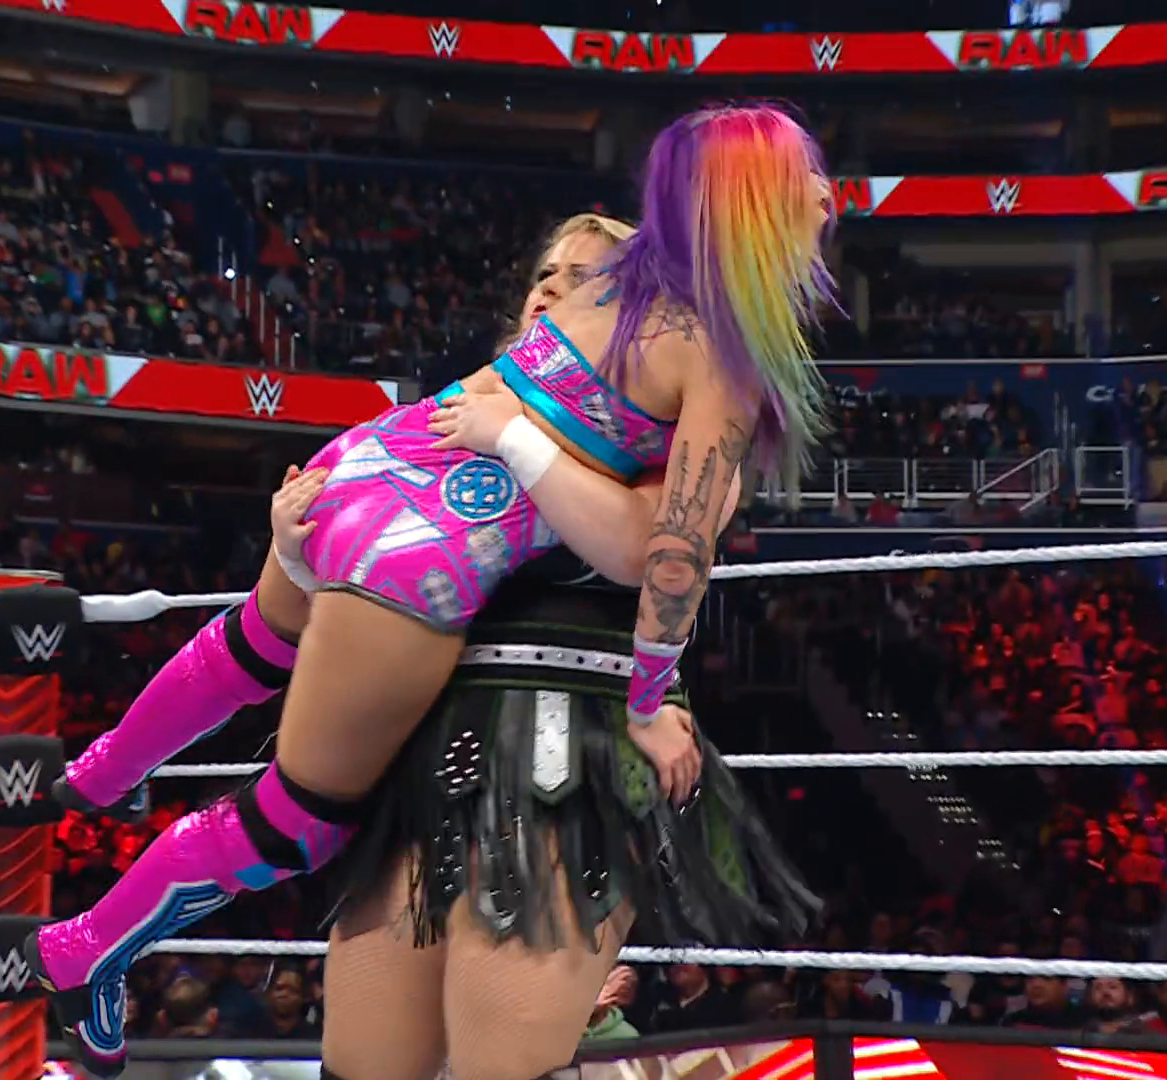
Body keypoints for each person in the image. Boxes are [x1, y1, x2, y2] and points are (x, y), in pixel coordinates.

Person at [30, 106, 838, 1079]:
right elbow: (665, 556)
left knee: (258, 641)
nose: (826, 196)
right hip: (428, 549)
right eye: (805, 178)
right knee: (297, 815)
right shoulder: (715, 348)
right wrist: (647, 700)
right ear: (752, 204)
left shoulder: (614, 282)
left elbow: (592, 269)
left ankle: (101, 774)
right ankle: (86, 945)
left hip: (373, 459)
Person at [304, 214, 816, 1079]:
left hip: (568, 739)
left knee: (501, 1060)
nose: (553, 287)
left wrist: (515, 437)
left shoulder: (671, 427)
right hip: (430, 741)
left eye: (586, 277)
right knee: (364, 1059)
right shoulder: (457, 412)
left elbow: (654, 551)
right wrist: (300, 545)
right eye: (546, 272)